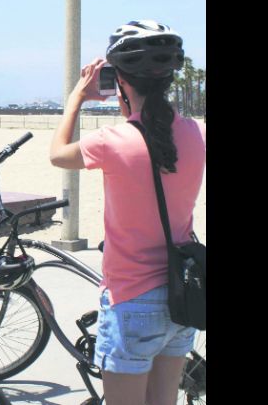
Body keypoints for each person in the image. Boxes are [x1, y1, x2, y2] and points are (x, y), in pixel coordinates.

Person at [49, 20, 205, 405]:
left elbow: (57, 154)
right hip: (183, 295)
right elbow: (157, 135)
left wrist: (77, 97)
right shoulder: (196, 133)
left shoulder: (111, 141)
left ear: (120, 79)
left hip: (131, 300)